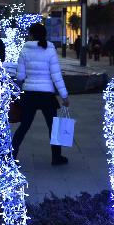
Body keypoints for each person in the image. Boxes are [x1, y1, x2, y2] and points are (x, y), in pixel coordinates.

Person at [12, 23, 70, 166]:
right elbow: (56, 76)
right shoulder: (50, 50)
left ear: (31, 35)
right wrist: (64, 95)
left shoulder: (24, 50)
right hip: (47, 96)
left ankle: (12, 156)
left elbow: (20, 76)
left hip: (29, 94)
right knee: (54, 127)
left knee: (24, 126)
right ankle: (56, 157)